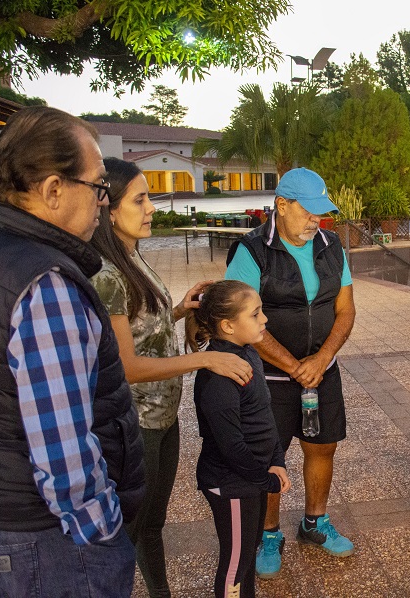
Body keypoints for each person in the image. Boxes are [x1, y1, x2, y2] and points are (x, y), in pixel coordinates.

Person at [0, 106, 145, 596]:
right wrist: (103, 530)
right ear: (53, 189)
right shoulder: (44, 284)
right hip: (52, 540)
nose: (103, 202)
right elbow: (63, 450)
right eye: (98, 187)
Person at [89, 158, 253, 597]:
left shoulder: (131, 258)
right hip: (135, 423)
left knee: (152, 522)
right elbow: (127, 366)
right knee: (131, 528)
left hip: (163, 417)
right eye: (140, 200)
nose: (151, 208)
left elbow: (142, 331)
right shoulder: (107, 275)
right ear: (109, 210)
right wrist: (205, 361)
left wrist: (181, 309)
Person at [224, 167, 356, 579]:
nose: (317, 220)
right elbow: (241, 321)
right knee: (270, 455)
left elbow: (345, 309)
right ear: (281, 205)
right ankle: (268, 534)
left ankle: (314, 522)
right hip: (268, 379)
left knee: (322, 446)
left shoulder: (331, 245)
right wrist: (294, 366)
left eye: (321, 212)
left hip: (322, 371)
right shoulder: (251, 251)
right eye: (308, 211)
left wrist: (321, 359)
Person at [192, 280, 291, 598]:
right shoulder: (219, 376)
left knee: (247, 556)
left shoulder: (248, 353)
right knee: (236, 564)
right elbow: (230, 445)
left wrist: (276, 461)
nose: (265, 319)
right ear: (228, 326)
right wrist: (265, 479)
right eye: (255, 314)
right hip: (232, 483)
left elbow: (264, 414)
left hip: (252, 477)